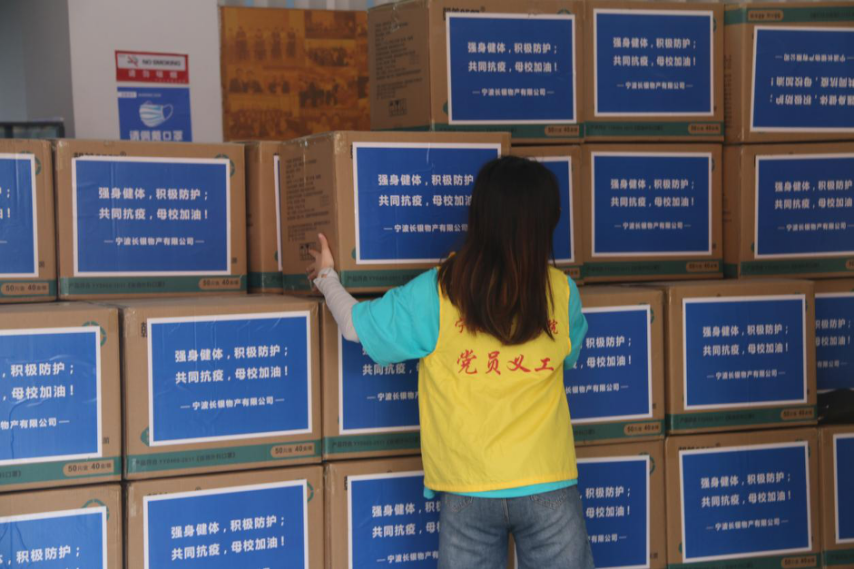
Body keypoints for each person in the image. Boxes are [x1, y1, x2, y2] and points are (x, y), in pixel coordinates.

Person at [308, 156, 593, 569]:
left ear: (479, 217)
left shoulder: (439, 290)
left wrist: (326, 277)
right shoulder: (562, 293)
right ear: (546, 223)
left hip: (467, 488)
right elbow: (570, 355)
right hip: (549, 483)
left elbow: (354, 326)